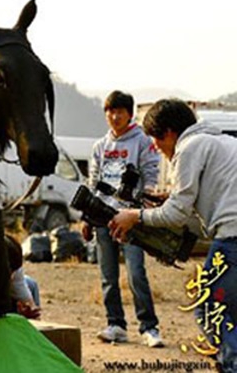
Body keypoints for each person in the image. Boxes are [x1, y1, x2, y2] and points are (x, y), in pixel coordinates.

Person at [110, 98, 237, 371]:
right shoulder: (221, 142)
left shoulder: (189, 148)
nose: (156, 148)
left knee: (211, 311)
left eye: (156, 141)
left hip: (232, 239)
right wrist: (170, 198)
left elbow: (176, 215)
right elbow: (202, 203)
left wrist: (134, 216)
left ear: (168, 132)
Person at [82, 90, 163, 347]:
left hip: (130, 217)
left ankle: (149, 327)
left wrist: (145, 203)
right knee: (107, 274)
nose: (114, 116)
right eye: (110, 111)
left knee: (136, 273)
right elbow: (93, 183)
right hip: (103, 217)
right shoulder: (100, 146)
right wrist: (87, 217)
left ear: (130, 113)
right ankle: (115, 324)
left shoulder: (142, 141)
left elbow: (151, 173)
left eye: (120, 111)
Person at [4, 235, 41, 319]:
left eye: (13, 272)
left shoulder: (13, 261)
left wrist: (29, 313)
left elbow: (28, 302)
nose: (11, 277)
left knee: (31, 283)